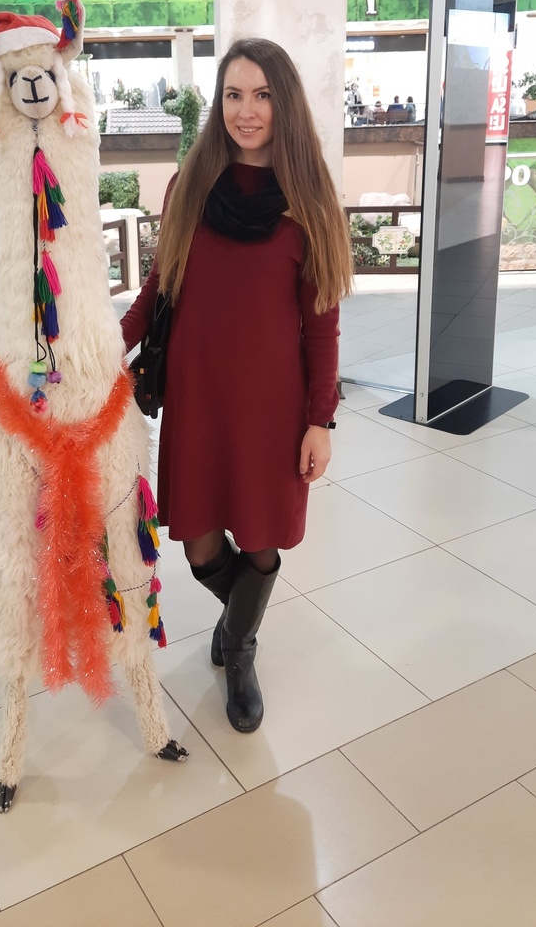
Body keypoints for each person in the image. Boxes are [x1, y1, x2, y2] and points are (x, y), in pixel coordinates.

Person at [122, 37, 353, 733]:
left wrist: (320, 419)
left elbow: (322, 325)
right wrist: (109, 344)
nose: (245, 111)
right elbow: (160, 285)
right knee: (197, 542)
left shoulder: (309, 200)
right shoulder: (189, 186)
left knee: (257, 540)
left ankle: (239, 647)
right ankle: (237, 623)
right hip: (198, 396)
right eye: (233, 95)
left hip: (271, 405)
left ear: (285, 104)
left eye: (262, 96)